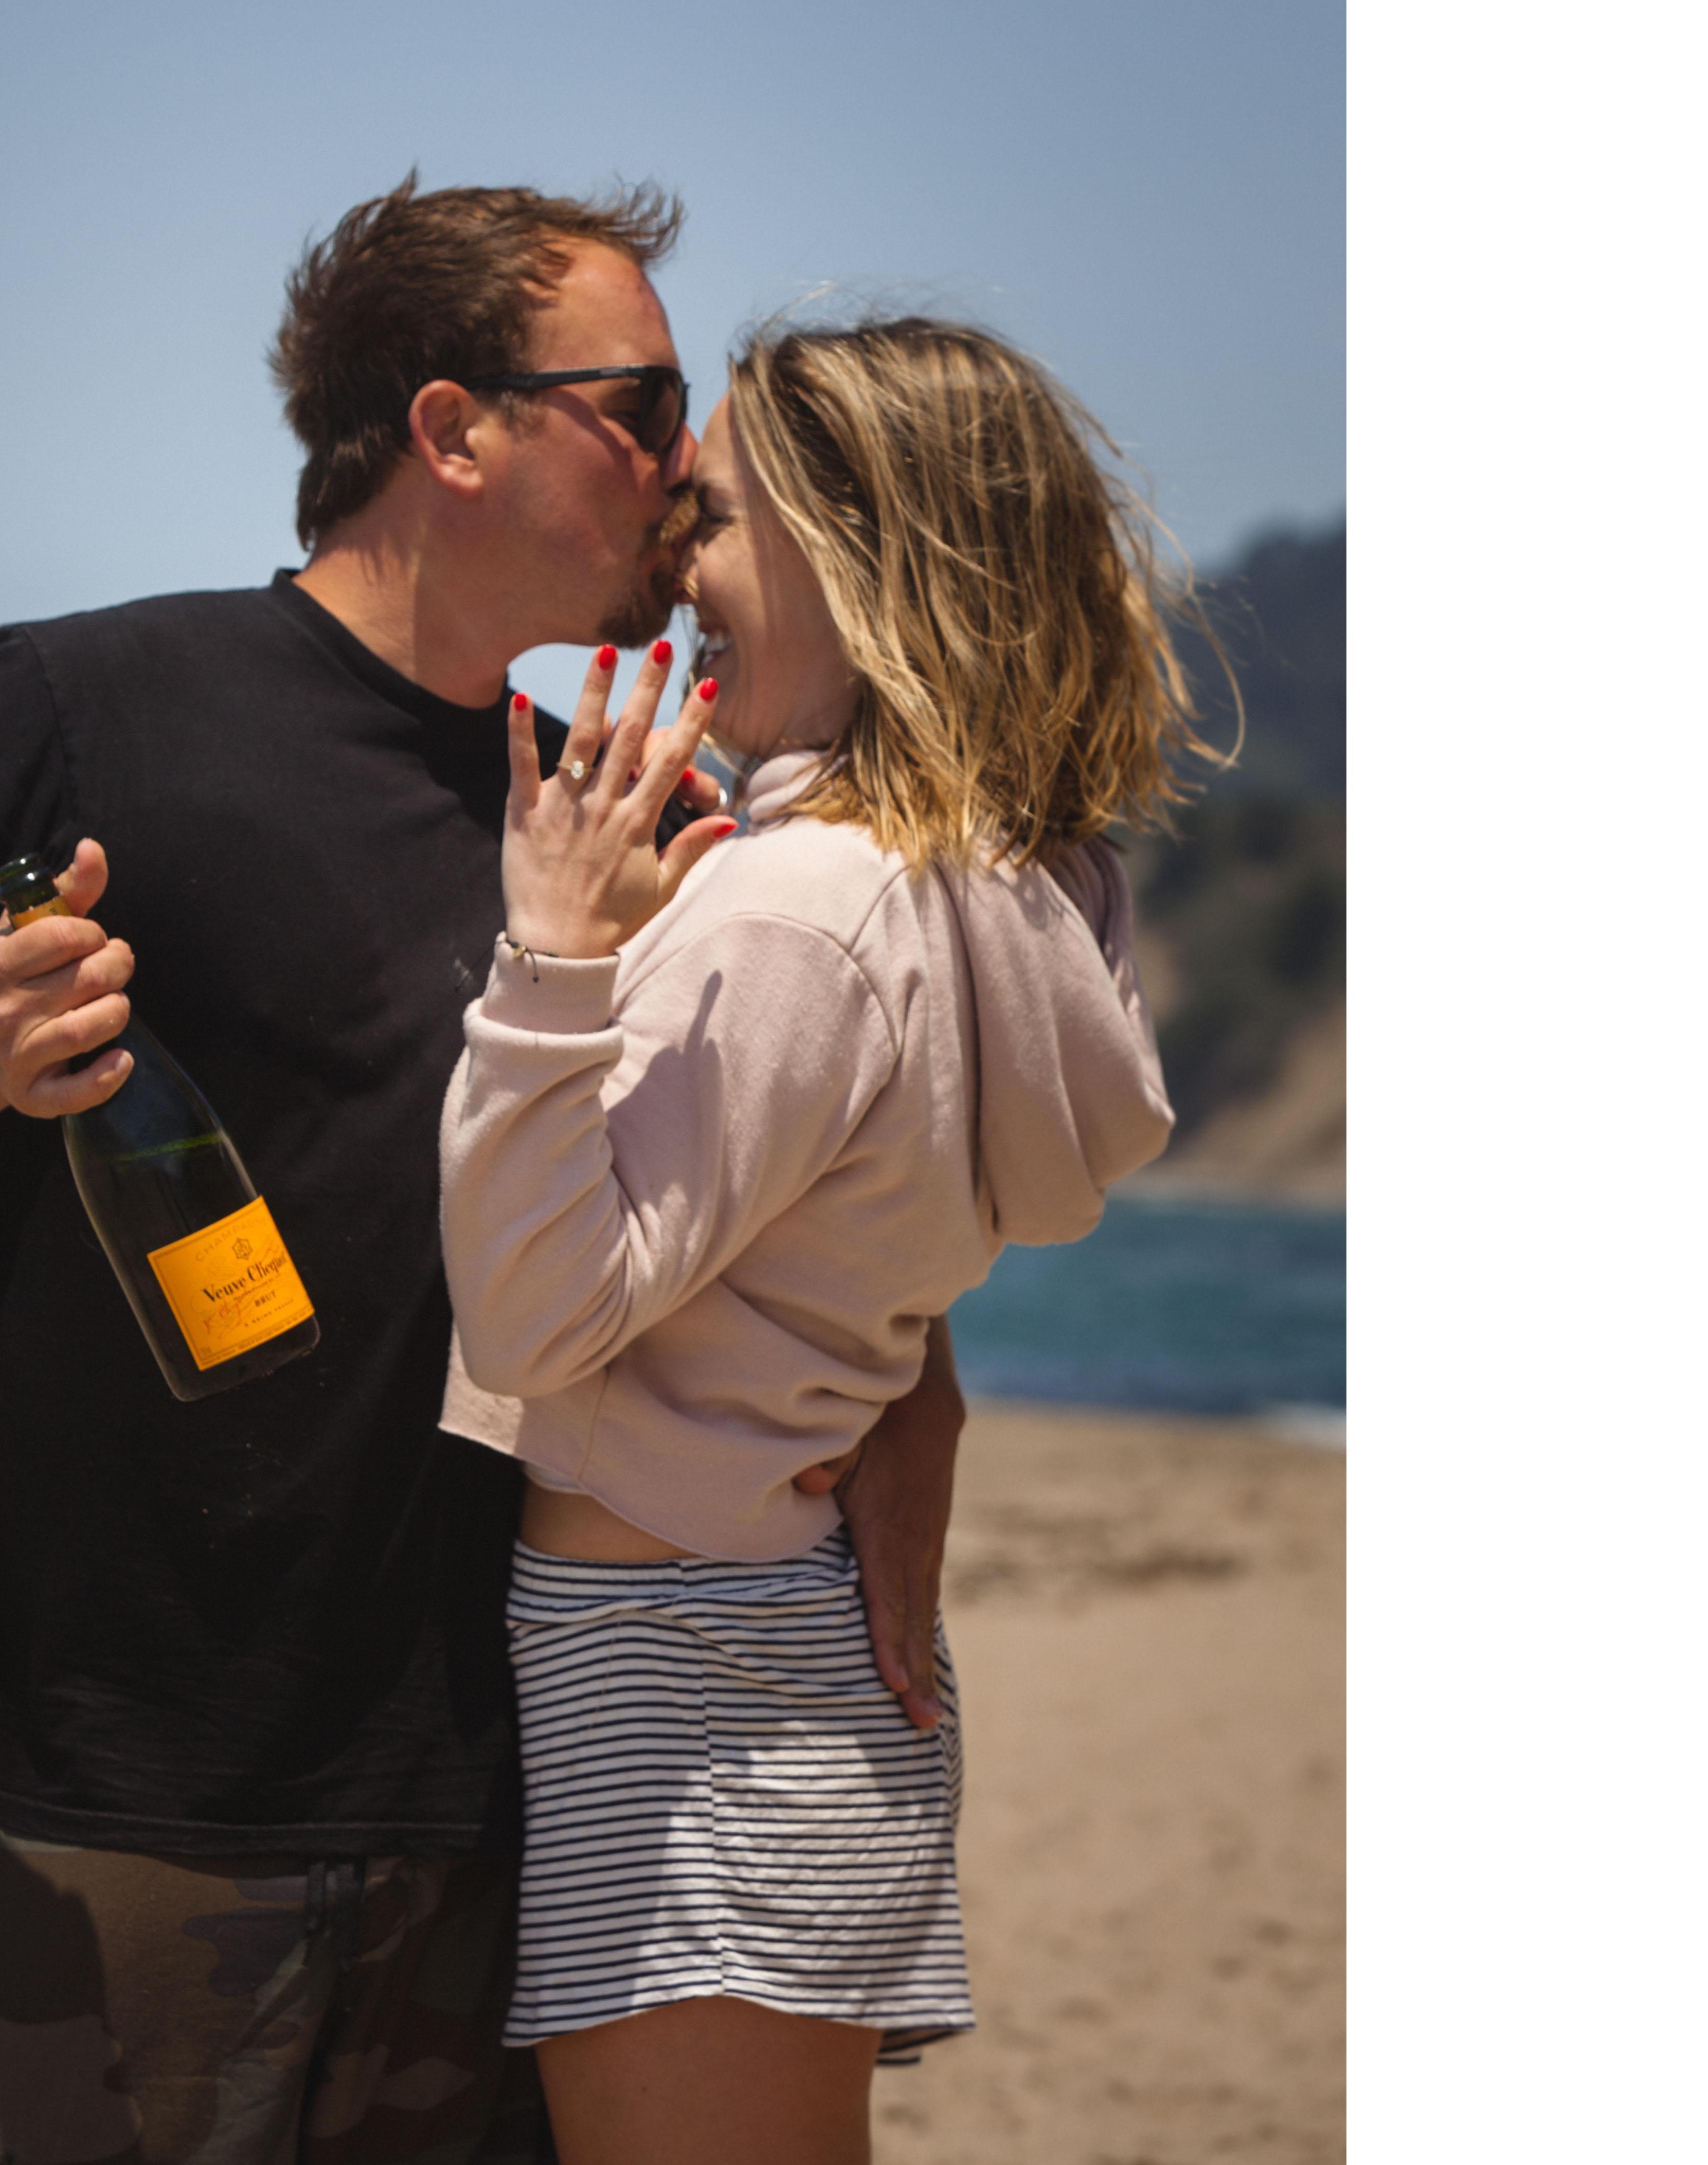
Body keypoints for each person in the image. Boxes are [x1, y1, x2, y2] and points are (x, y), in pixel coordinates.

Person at [0, 181, 972, 2165]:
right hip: (136, 1807)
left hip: (526, 1793)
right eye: (639, 404)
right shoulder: (77, 708)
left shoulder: (621, 803)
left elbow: (778, 1166)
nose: (686, 464)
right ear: (452, 430)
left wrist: (917, 1385)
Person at [436, 315, 1199, 2165]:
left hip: (674, 1667)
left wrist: (554, 951)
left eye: (712, 517)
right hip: (767, 1641)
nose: (671, 558)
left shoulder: (794, 909)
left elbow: (532, 1319)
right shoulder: (997, 896)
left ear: (858, 557)